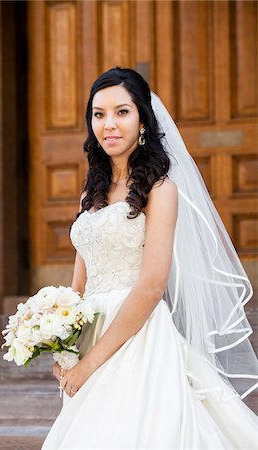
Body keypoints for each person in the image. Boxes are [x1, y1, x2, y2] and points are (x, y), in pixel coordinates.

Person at [42, 67, 257, 449]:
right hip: (90, 331)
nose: (109, 124)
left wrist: (92, 365)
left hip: (137, 336)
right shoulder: (90, 193)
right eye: (99, 113)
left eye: (122, 112)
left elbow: (152, 286)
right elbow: (79, 284)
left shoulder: (161, 190)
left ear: (142, 119)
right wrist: (62, 346)